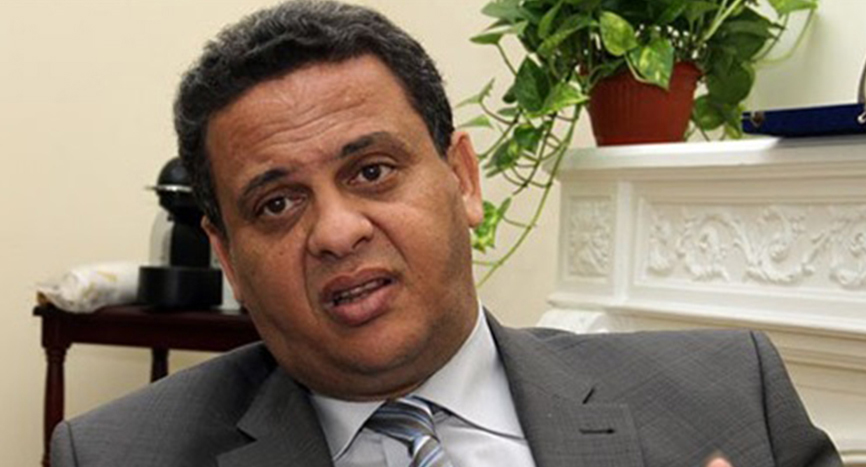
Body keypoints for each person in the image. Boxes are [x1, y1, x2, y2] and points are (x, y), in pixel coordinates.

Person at [51, 2, 842, 467]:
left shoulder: (728, 395)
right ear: (226, 253)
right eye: (278, 204)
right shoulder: (117, 455)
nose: (336, 231)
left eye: (371, 171)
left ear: (463, 178)